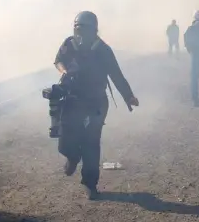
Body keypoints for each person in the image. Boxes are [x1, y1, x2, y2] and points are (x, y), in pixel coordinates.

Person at [54, 11, 139, 199]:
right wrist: (65, 71)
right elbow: (58, 60)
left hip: (96, 101)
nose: (80, 33)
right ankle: (72, 156)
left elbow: (116, 76)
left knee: (91, 142)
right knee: (65, 138)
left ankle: (90, 184)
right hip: (72, 98)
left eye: (84, 29)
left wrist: (129, 96)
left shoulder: (103, 50)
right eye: (77, 29)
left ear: (94, 30)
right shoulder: (69, 44)